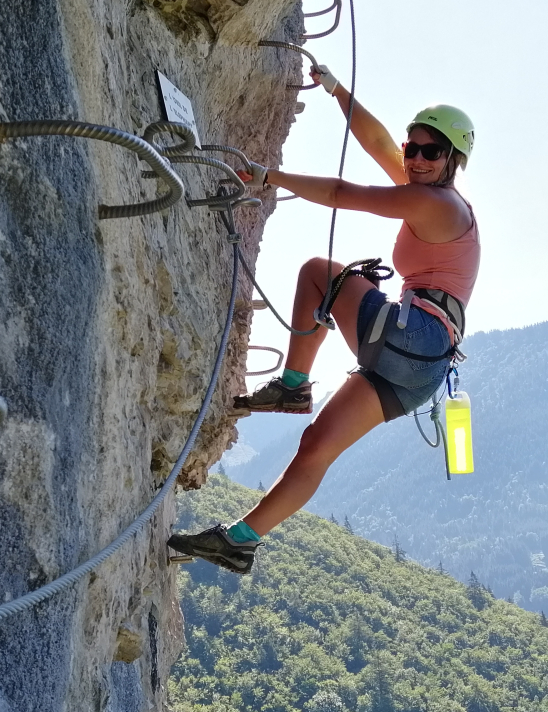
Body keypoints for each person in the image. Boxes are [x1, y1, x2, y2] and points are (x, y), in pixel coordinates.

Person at [167, 64, 480, 574]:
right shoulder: (431, 192)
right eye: (414, 148)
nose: (417, 159)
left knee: (318, 274)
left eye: (432, 151)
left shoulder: (433, 202)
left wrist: (270, 177)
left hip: (415, 338)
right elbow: (379, 141)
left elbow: (341, 193)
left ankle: (293, 385)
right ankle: (240, 541)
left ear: (453, 159)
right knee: (317, 445)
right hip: (424, 366)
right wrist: (337, 91)